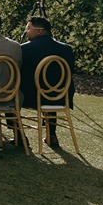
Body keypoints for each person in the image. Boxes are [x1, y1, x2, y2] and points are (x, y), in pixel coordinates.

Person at [20, 16, 76, 146]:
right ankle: (51, 133)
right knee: (50, 86)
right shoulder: (67, 49)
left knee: (13, 93)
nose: (25, 31)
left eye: (28, 28)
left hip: (33, 97)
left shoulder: (25, 49)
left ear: (40, 31)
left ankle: (19, 135)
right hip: (61, 96)